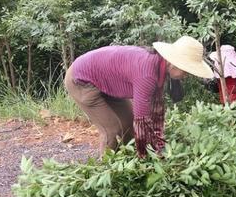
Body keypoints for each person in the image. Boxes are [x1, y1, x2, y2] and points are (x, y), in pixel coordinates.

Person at [64, 36, 213, 157]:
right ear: (174, 63)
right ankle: (106, 169)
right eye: (186, 71)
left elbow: (155, 110)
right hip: (82, 80)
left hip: (109, 83)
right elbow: (142, 119)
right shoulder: (148, 74)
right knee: (112, 130)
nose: (186, 76)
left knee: (128, 124)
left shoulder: (159, 68)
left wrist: (159, 143)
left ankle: (126, 157)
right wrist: (147, 153)